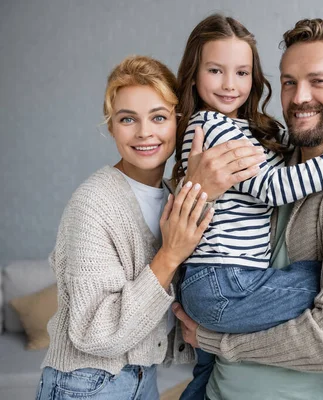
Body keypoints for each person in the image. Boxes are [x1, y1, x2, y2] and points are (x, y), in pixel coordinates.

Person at [174, 18, 323, 400]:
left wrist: (215, 340)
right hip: (221, 380)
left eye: (319, 81)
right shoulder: (273, 158)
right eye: (289, 82)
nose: (299, 98)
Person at [35, 55, 265, 400]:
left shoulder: (176, 194)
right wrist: (169, 255)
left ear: (178, 122)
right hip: (86, 383)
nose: (145, 133)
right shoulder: (93, 204)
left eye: (158, 117)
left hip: (144, 377)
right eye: (128, 119)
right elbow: (96, 333)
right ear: (111, 126)